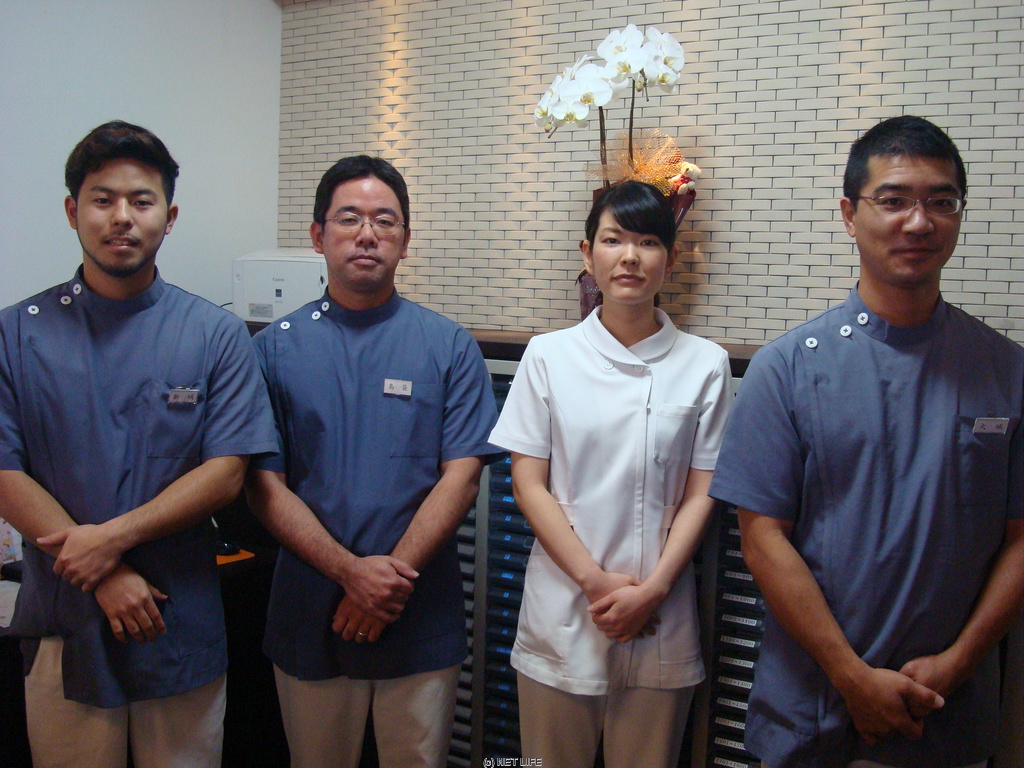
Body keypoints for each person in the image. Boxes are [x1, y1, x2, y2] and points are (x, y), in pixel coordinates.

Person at [709, 115, 1024, 768]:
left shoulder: (1005, 370)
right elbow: (762, 539)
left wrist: (958, 662)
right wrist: (852, 678)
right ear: (850, 215)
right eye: (894, 199)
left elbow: (1021, 538)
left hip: (948, 715)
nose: (919, 222)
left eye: (942, 202)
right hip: (812, 713)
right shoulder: (787, 369)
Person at [0, 120, 278, 768]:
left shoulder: (213, 334)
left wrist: (109, 540)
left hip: (178, 620)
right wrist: (104, 571)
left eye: (141, 200)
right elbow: (5, 472)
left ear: (169, 217)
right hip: (65, 620)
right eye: (102, 199)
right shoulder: (16, 334)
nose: (121, 217)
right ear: (73, 210)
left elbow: (226, 471)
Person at [245, 155, 499, 768]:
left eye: (384, 221)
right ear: (318, 236)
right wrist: (350, 573)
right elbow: (263, 486)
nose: (367, 234)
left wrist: (385, 583)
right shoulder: (271, 350)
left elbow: (462, 478)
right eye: (349, 219)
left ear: (405, 241)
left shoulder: (448, 346)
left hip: (418, 609)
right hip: (310, 609)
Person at [488, 181, 734, 768]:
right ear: (587, 253)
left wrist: (654, 591)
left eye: (648, 242)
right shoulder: (548, 356)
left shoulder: (706, 364)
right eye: (613, 240)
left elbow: (702, 493)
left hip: (661, 614)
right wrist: (596, 583)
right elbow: (528, 485)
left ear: (670, 258)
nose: (630, 257)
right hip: (565, 608)